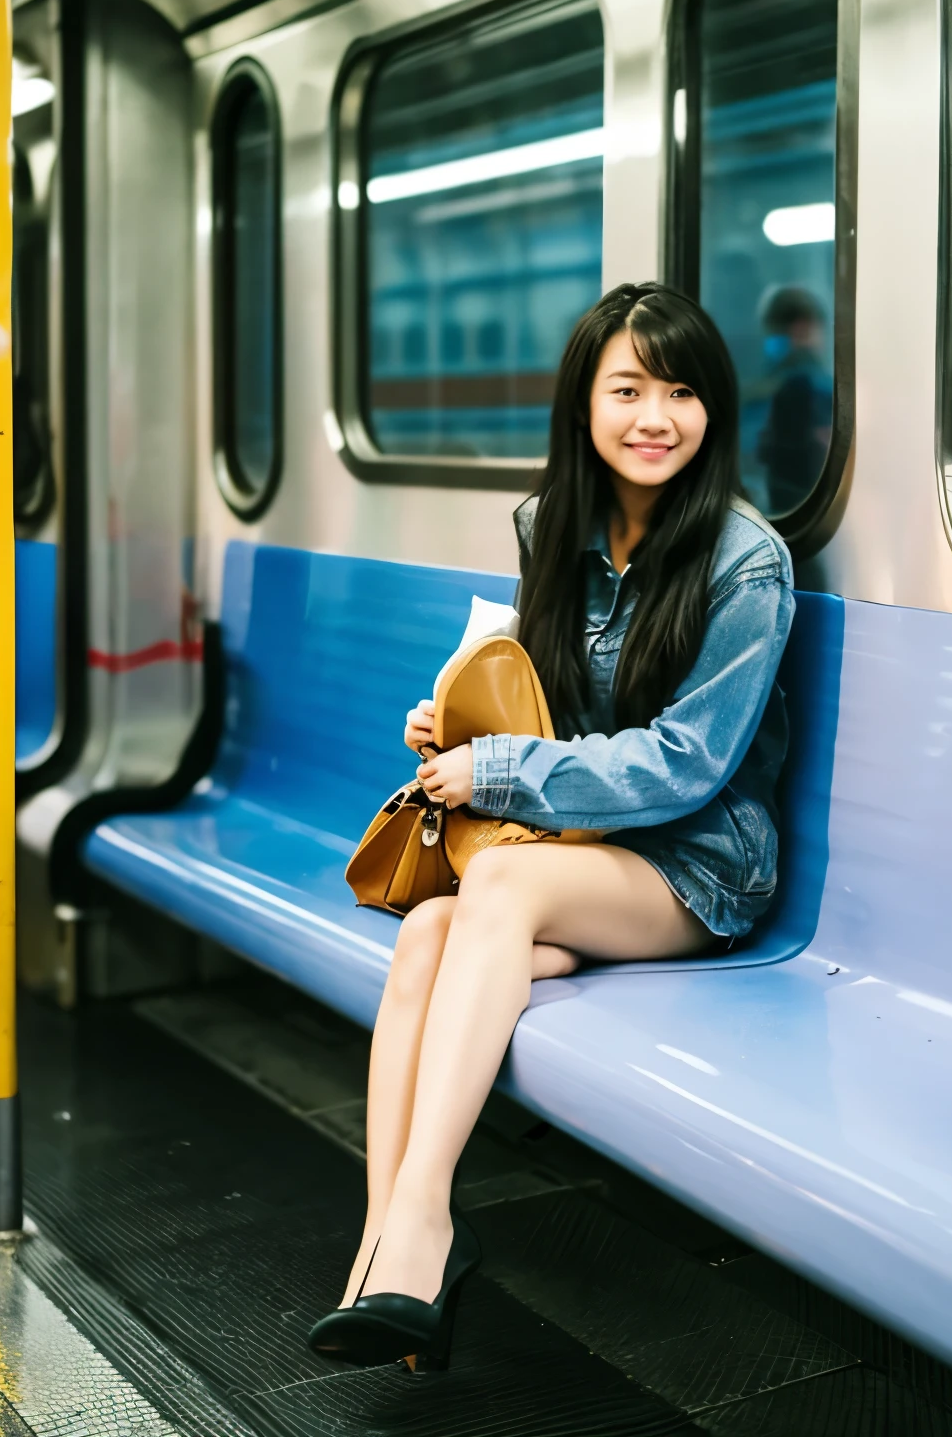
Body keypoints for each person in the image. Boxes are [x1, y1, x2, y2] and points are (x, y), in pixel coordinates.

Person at [307, 281, 794, 1372]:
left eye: (682, 392)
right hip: (579, 853)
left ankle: (421, 1224)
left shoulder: (748, 563)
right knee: (431, 933)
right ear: (584, 405)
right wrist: (456, 730)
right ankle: (391, 1246)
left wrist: (504, 771)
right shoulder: (550, 530)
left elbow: (690, 765)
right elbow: (544, 698)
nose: (655, 417)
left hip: (695, 865)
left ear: (713, 410)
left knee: (495, 891)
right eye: (627, 389)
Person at [753, 284, 832, 517]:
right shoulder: (808, 382)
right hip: (802, 494)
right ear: (803, 329)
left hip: (781, 492)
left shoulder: (771, 381)